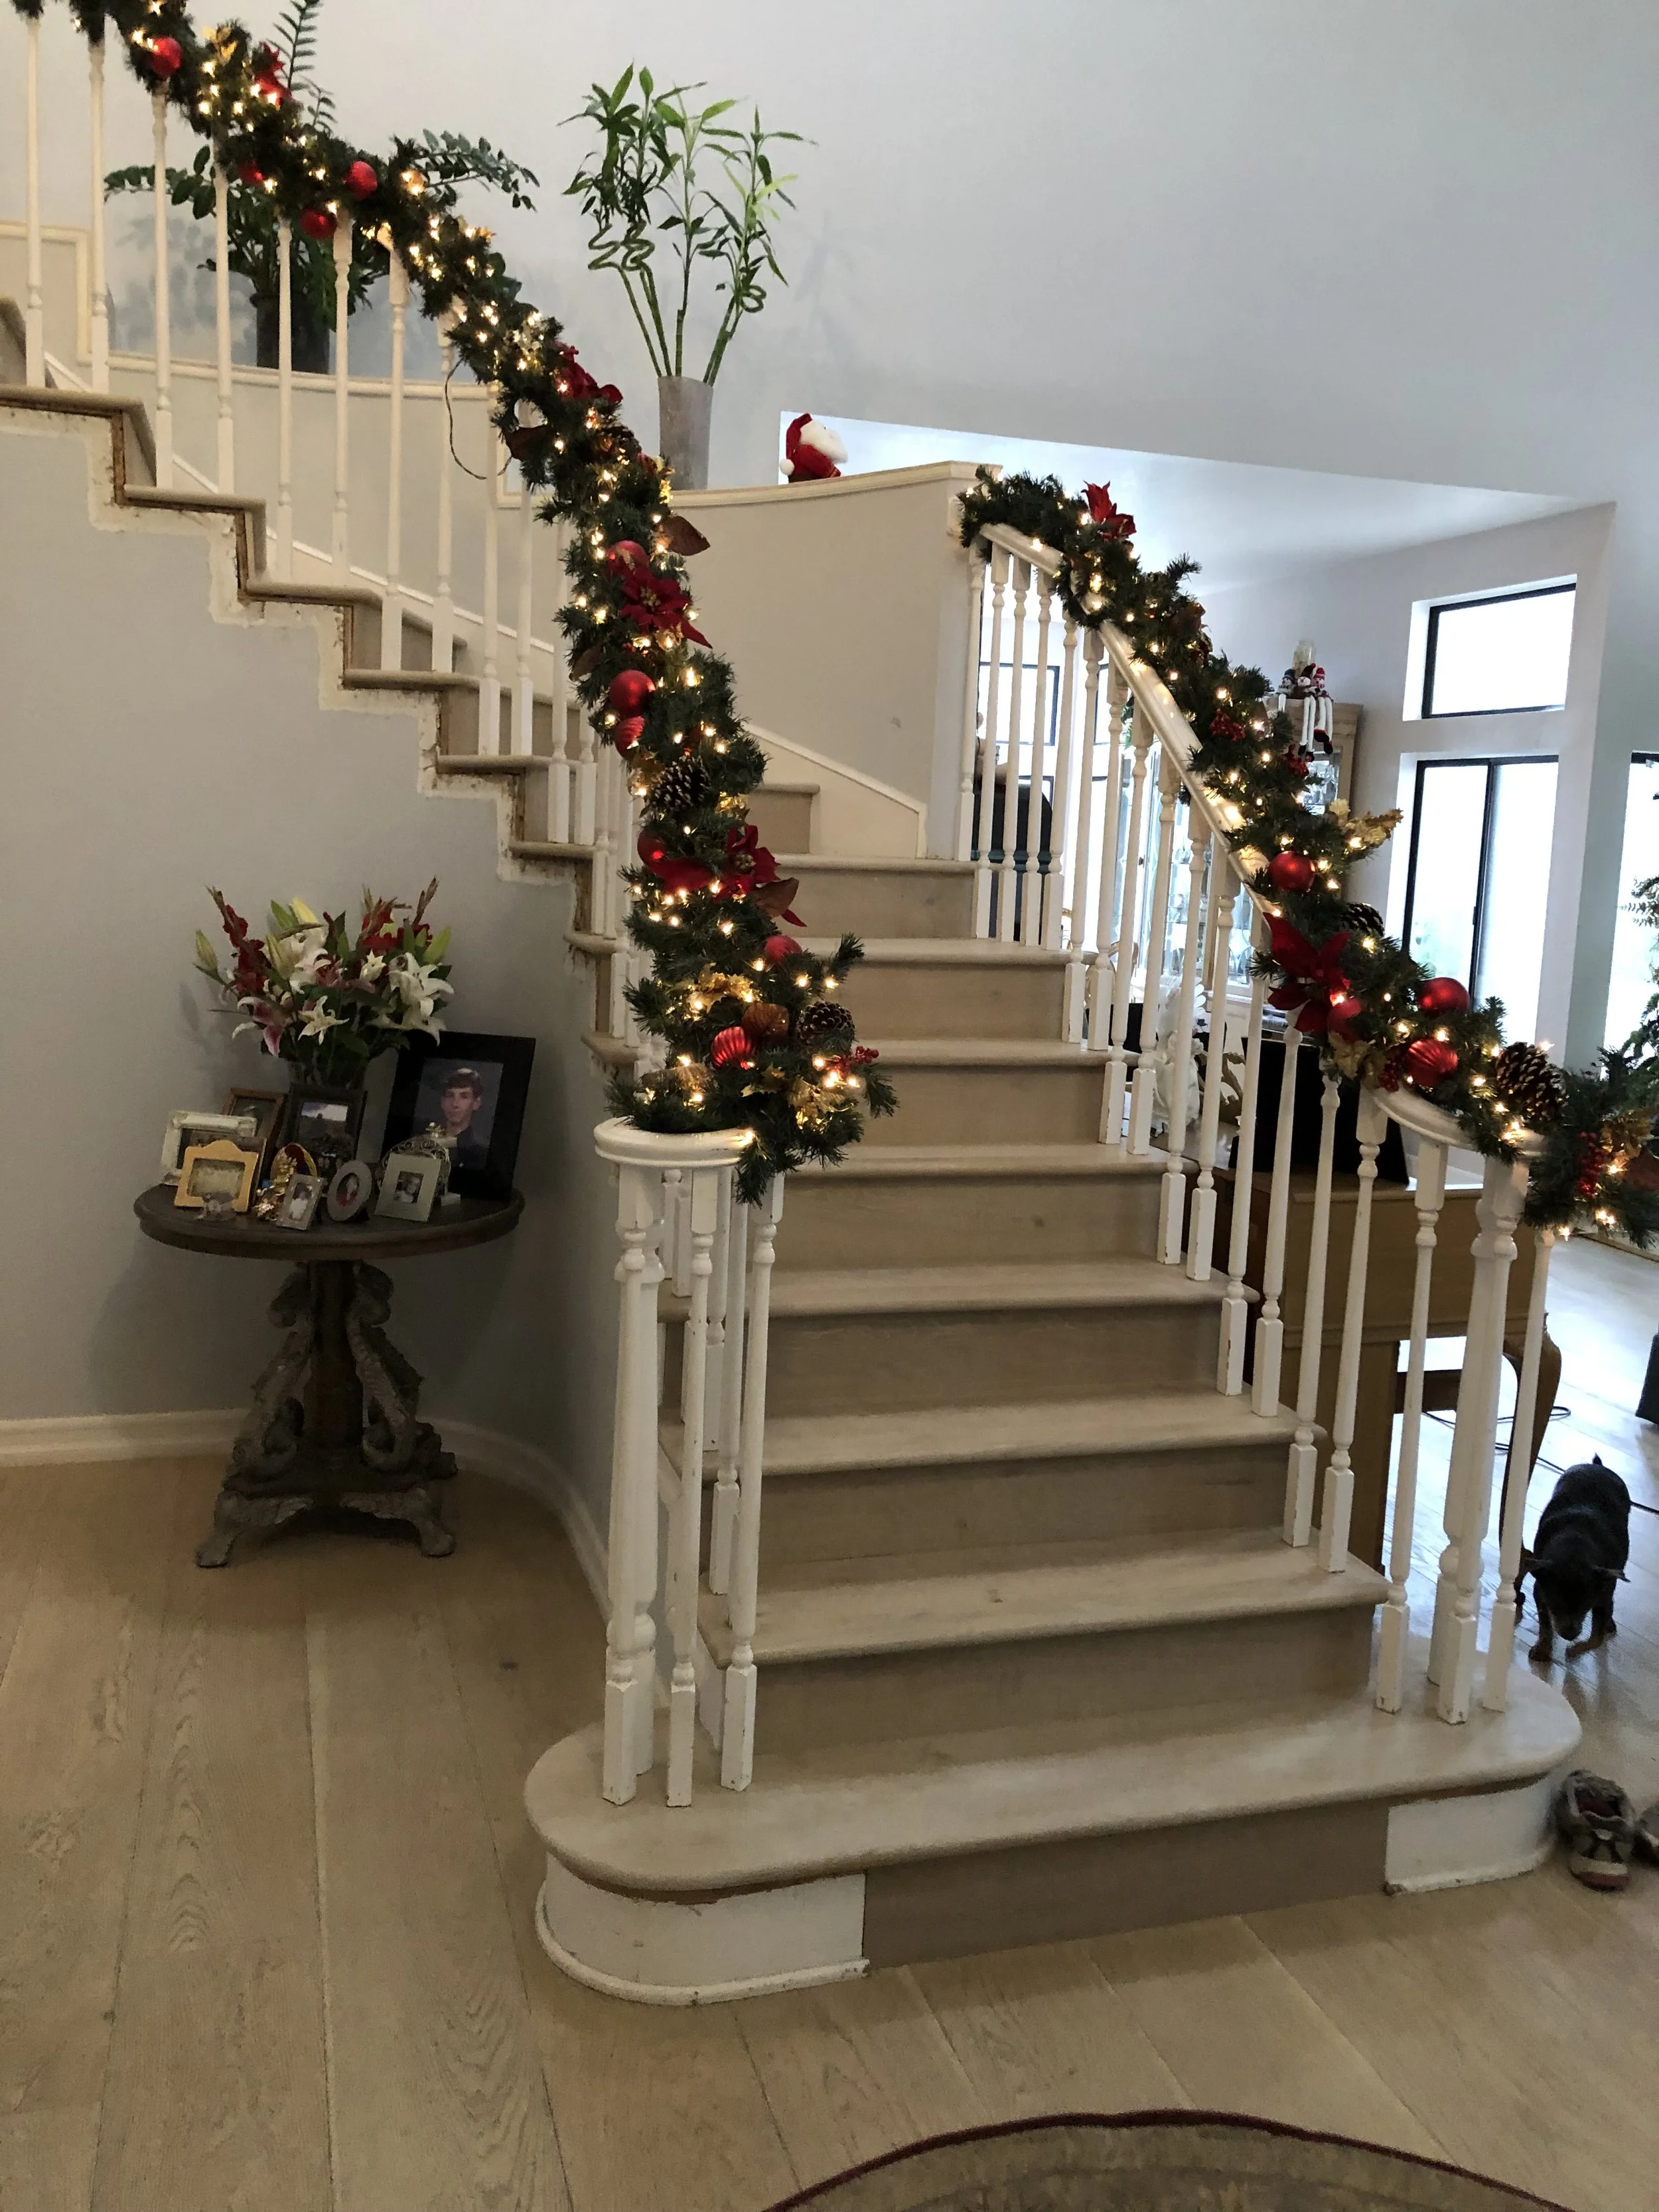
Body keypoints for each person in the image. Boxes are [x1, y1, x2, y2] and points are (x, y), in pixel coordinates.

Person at [435, 1066, 492, 1169]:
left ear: (476, 1103)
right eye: (450, 1095)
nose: (455, 1104)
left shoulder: (481, 1151)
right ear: (442, 1101)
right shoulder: (427, 1142)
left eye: (464, 1097)